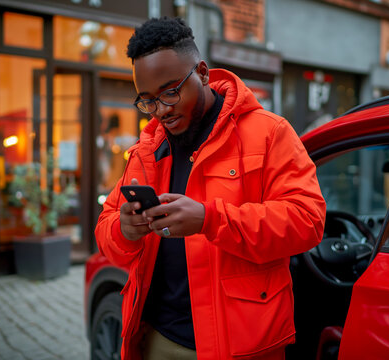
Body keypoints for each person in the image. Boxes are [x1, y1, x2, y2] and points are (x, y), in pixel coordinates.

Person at [95, 17, 326, 360]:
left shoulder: (269, 133)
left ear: (202, 72)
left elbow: (307, 221)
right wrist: (125, 229)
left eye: (171, 92)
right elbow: (106, 232)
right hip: (157, 338)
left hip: (242, 347)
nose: (162, 110)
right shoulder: (147, 148)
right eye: (148, 101)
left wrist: (211, 220)